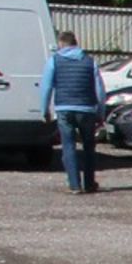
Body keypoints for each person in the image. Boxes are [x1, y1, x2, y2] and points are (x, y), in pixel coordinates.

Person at [39, 31, 106, 194]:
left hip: (64, 109)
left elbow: (46, 87)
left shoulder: (54, 61)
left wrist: (45, 110)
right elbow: (100, 90)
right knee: (89, 147)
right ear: (75, 43)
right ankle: (89, 183)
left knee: (68, 146)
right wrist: (101, 112)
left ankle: (74, 184)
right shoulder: (90, 62)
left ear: (61, 43)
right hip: (87, 109)